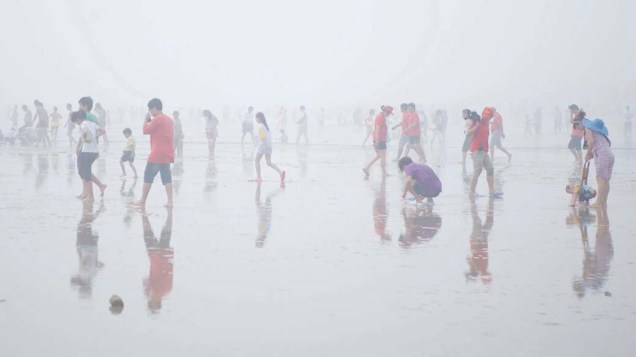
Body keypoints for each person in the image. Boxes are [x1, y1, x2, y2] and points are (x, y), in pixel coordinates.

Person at [134, 98, 175, 208]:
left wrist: (146, 120)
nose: (150, 112)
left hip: (157, 153)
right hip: (166, 153)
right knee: (166, 178)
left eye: (150, 109)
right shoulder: (169, 120)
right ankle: (170, 201)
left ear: (155, 108)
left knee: (148, 176)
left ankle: (142, 200)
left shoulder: (158, 119)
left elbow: (145, 130)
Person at [72, 111, 106, 202]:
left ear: (78, 119)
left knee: (86, 175)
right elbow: (103, 131)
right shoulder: (92, 123)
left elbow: (85, 132)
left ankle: (90, 197)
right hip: (94, 152)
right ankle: (93, 191)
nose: (76, 124)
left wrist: (84, 139)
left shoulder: (83, 125)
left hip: (87, 152)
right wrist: (95, 136)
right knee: (85, 172)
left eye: (76, 122)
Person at [468, 107, 501, 198]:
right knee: (477, 171)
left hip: (484, 151)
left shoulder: (487, 124)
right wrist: (476, 126)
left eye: (488, 117)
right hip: (476, 151)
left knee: (490, 169)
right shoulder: (476, 122)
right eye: (485, 116)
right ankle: (471, 192)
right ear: (482, 115)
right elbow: (468, 132)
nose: (486, 118)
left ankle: (492, 192)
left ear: (490, 117)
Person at [583, 118, 614, 208]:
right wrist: (591, 153)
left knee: (600, 179)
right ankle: (603, 202)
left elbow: (591, 141)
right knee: (606, 180)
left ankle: (598, 202)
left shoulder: (588, 129)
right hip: (609, 154)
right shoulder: (601, 135)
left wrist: (588, 153)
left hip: (601, 154)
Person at [254, 112, 285, 185]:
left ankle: (259, 178)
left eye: (256, 118)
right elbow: (267, 137)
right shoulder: (266, 126)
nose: (256, 120)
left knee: (256, 160)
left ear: (259, 118)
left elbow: (263, 137)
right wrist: (268, 146)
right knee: (269, 162)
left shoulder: (260, 127)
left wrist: (265, 145)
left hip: (263, 145)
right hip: (269, 146)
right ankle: (280, 172)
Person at [363, 105, 393, 178]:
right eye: (389, 113)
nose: (389, 115)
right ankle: (384, 173)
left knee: (379, 155)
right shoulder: (380, 117)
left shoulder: (381, 116)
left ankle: (366, 167)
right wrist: (377, 141)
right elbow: (377, 128)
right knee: (383, 156)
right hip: (380, 140)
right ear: (386, 111)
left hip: (379, 139)